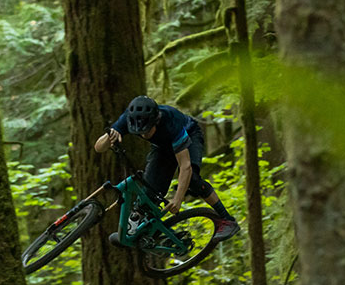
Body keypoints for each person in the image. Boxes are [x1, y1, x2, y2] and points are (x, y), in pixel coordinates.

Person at [94, 95, 240, 244]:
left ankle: (227, 220)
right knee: (150, 192)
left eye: (147, 130)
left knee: (193, 181)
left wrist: (178, 199)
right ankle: (159, 233)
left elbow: (185, 166)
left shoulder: (171, 124)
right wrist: (109, 136)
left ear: (155, 121)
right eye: (140, 132)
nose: (144, 135)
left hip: (189, 136)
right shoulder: (130, 118)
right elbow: (98, 148)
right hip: (162, 147)